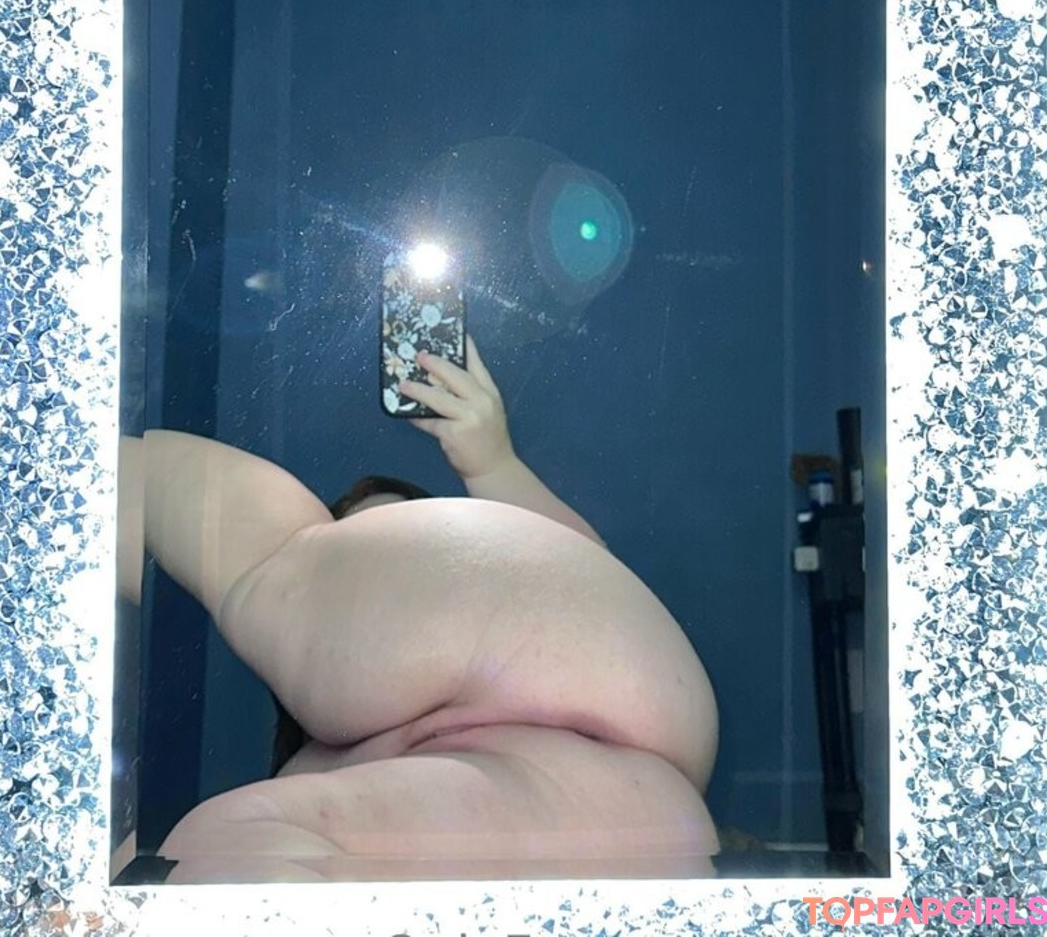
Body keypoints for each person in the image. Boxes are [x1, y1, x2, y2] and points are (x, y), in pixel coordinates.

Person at [125, 337, 719, 882]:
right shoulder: (364, 758)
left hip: (618, 710)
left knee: (264, 563)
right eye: (356, 536)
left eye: (394, 527)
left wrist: (492, 465)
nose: (372, 552)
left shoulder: (352, 684)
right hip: (651, 802)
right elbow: (593, 599)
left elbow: (575, 588)